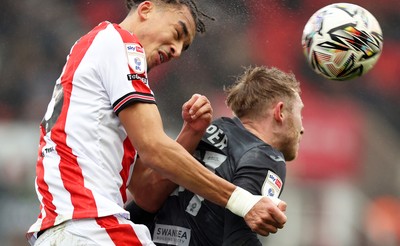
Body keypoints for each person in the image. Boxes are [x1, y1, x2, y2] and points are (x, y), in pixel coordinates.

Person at [26, 1, 287, 245]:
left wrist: (190, 134)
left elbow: (146, 193)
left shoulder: (97, 56)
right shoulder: (119, 43)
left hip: (68, 230)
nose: (176, 50)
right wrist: (244, 202)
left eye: (184, 47)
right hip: (91, 229)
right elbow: (154, 148)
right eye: (178, 32)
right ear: (147, 9)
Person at [127, 65, 304, 245]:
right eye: (300, 113)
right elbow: (238, 239)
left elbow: (143, 203)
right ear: (280, 112)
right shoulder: (266, 157)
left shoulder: (204, 130)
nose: (302, 129)